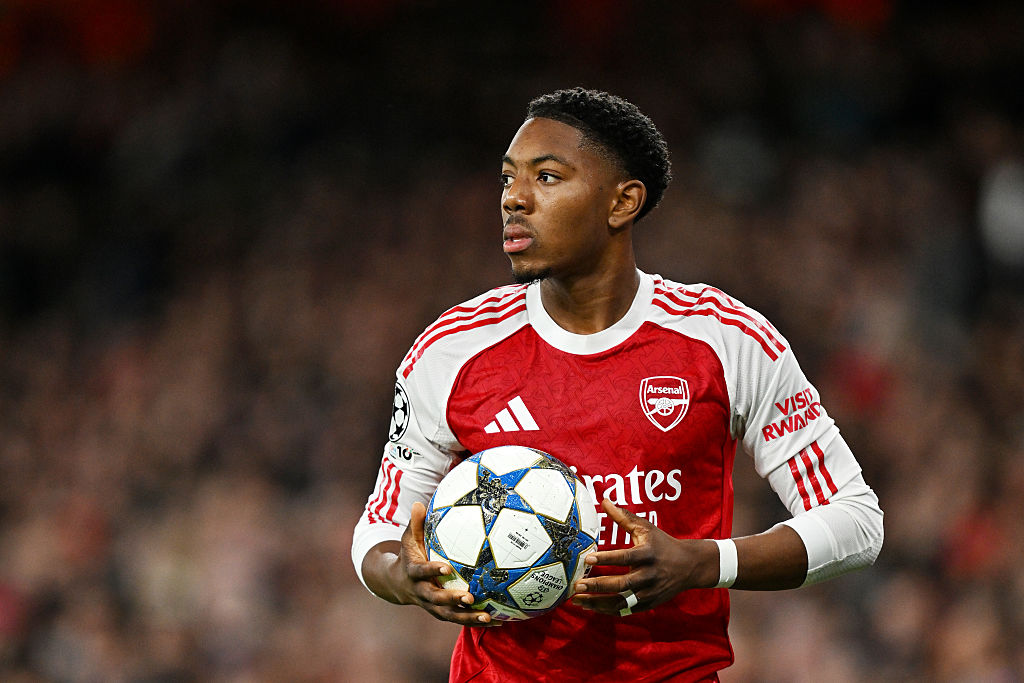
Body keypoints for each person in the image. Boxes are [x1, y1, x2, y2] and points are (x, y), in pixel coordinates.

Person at [350, 87, 884, 682]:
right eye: (507, 179)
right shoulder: (451, 350)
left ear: (622, 202)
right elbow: (379, 531)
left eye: (547, 177)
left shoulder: (724, 341)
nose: (514, 200)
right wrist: (404, 577)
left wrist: (706, 563)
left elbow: (855, 521)